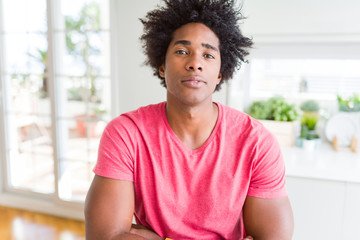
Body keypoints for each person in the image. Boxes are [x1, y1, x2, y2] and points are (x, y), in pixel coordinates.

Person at [85, 0, 294, 239]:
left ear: (220, 73)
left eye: (208, 54)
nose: (195, 63)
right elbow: (104, 236)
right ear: (162, 66)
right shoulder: (126, 133)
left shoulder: (257, 142)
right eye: (182, 51)